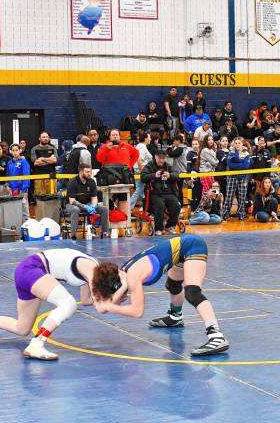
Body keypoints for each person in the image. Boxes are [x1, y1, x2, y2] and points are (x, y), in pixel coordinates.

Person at [90, 234, 229, 356]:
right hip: (180, 252)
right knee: (173, 285)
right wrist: (111, 301)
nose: (119, 301)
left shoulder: (132, 276)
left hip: (193, 246)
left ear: (116, 286)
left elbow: (137, 312)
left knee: (192, 292)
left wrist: (110, 306)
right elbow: (109, 299)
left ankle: (216, 336)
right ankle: (175, 317)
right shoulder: (122, 274)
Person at [0, 248, 100, 360]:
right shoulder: (92, 269)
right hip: (32, 269)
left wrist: (117, 297)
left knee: (22, 328)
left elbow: (86, 300)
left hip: (28, 273)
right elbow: (102, 307)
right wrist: (118, 297)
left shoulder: (91, 274)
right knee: (69, 303)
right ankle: (37, 344)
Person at [141, 150, 181, 235]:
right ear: (155, 157)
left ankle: (170, 225)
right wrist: (154, 175)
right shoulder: (149, 166)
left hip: (168, 192)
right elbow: (143, 177)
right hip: (155, 193)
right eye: (160, 158)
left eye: (163, 158)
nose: (161, 160)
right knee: (160, 205)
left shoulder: (168, 166)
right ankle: (158, 228)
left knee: (177, 205)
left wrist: (170, 175)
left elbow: (177, 174)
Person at [66, 164, 109, 240]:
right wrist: (85, 207)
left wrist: (93, 206)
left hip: (87, 204)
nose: (89, 174)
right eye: (87, 172)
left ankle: (105, 234)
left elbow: (94, 198)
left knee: (104, 209)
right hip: (72, 205)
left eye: (90, 172)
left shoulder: (91, 182)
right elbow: (72, 201)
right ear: (81, 172)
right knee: (76, 209)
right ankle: (73, 236)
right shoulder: (72, 182)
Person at [221, 137, 251, 220]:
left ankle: (241, 213)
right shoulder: (231, 153)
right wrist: (240, 163)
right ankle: (225, 214)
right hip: (232, 177)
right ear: (234, 144)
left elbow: (246, 166)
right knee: (229, 196)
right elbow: (230, 165)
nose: (237, 144)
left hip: (243, 177)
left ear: (242, 144)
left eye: (239, 143)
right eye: (236, 143)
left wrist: (237, 163)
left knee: (242, 196)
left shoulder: (247, 153)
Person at [6, 143, 31, 221]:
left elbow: (26, 175)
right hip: (13, 189)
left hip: (22, 189)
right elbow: (8, 175)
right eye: (13, 150)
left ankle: (27, 225)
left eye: (16, 150)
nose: (15, 152)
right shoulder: (9, 162)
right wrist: (7, 186)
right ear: (10, 152)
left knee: (24, 208)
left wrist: (25, 190)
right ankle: (16, 224)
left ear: (20, 150)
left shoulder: (24, 162)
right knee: (15, 207)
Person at [130, 131, 153, 209]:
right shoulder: (142, 147)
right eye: (149, 137)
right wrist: (143, 171)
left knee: (141, 190)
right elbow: (139, 159)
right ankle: (129, 208)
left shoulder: (138, 146)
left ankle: (144, 207)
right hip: (141, 171)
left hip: (138, 170)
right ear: (145, 138)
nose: (150, 139)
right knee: (139, 190)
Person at [31, 131, 58, 195]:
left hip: (51, 176)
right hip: (38, 176)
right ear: (39, 139)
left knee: (52, 196)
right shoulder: (34, 149)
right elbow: (36, 163)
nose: (45, 138)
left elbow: (54, 161)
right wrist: (49, 160)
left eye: (47, 137)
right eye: (43, 137)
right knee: (39, 196)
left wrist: (42, 159)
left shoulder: (53, 148)